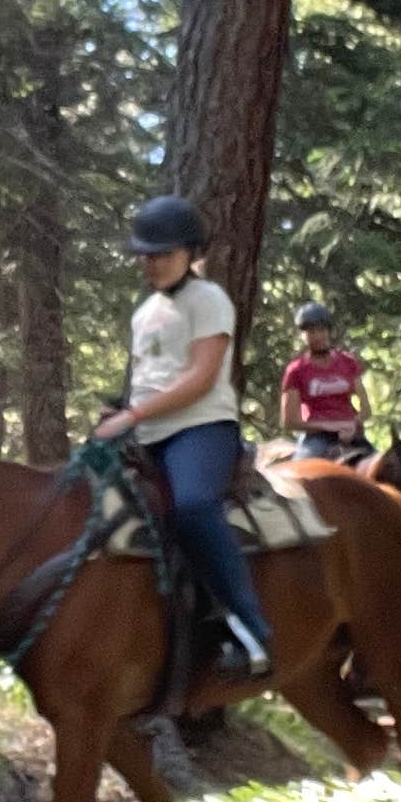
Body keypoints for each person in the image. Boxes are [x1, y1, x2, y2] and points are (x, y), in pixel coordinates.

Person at [92, 197, 274, 682]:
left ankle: (252, 631)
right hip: (148, 430)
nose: (151, 263)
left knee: (193, 508)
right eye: (146, 255)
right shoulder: (145, 311)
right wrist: (121, 411)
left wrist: (132, 413)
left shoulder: (208, 299)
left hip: (201, 428)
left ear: (191, 252)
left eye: (162, 254)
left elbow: (200, 377)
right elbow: (149, 378)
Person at [279, 302, 368, 462]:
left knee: (386, 474)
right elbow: (289, 422)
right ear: (303, 335)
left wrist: (354, 424)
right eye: (311, 332)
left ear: (328, 331)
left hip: (351, 432)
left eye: (321, 330)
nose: (318, 336)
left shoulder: (348, 362)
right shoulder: (296, 371)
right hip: (317, 438)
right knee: (302, 475)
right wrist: (329, 427)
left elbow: (366, 408)